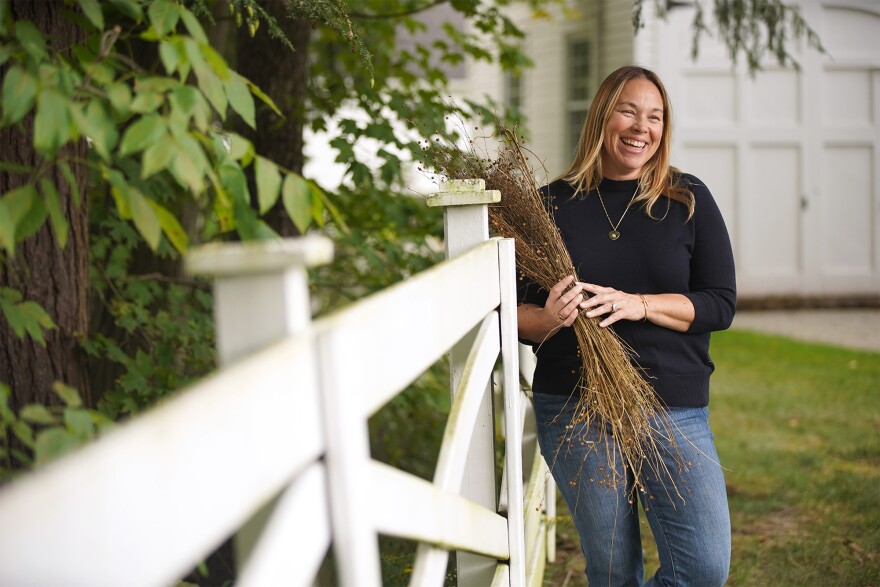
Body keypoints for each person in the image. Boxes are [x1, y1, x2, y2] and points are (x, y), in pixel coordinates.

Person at [517, 65, 736, 586]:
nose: (642, 127)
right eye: (629, 111)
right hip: (575, 406)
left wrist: (640, 304)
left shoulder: (687, 198)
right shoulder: (549, 205)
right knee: (615, 570)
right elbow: (515, 314)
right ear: (601, 117)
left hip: (672, 406)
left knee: (704, 568)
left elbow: (719, 303)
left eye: (655, 116)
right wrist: (548, 319)